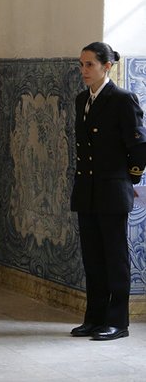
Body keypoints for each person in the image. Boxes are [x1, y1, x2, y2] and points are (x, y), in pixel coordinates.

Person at [70, 42, 146, 341]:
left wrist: (125, 180)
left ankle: (118, 322)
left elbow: (139, 149)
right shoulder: (81, 100)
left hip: (112, 192)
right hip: (87, 192)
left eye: (89, 65)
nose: (84, 71)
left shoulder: (122, 99)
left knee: (114, 258)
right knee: (93, 258)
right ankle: (95, 318)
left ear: (107, 66)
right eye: (81, 64)